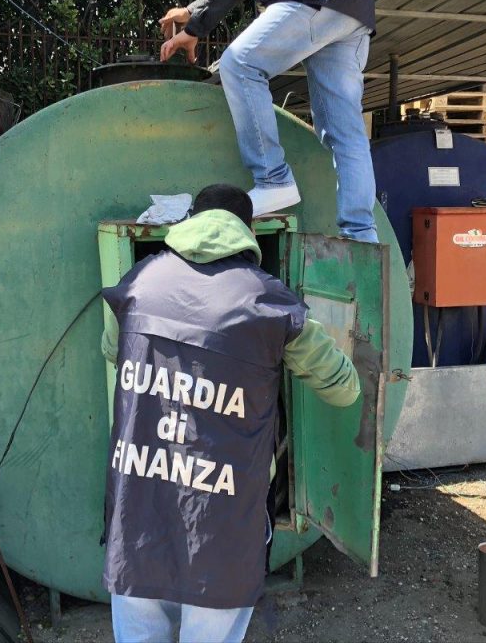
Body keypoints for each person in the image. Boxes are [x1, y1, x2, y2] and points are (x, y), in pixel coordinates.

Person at [100, 183, 362, 643]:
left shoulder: (138, 281)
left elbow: (111, 348)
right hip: (221, 518)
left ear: (190, 221)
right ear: (247, 232)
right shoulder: (269, 302)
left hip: (139, 506)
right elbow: (344, 390)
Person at [160, 0, 378, 243]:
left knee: (239, 63)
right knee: (345, 132)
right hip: (351, 2)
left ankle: (273, 180)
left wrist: (196, 27)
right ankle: (362, 236)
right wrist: (193, 10)